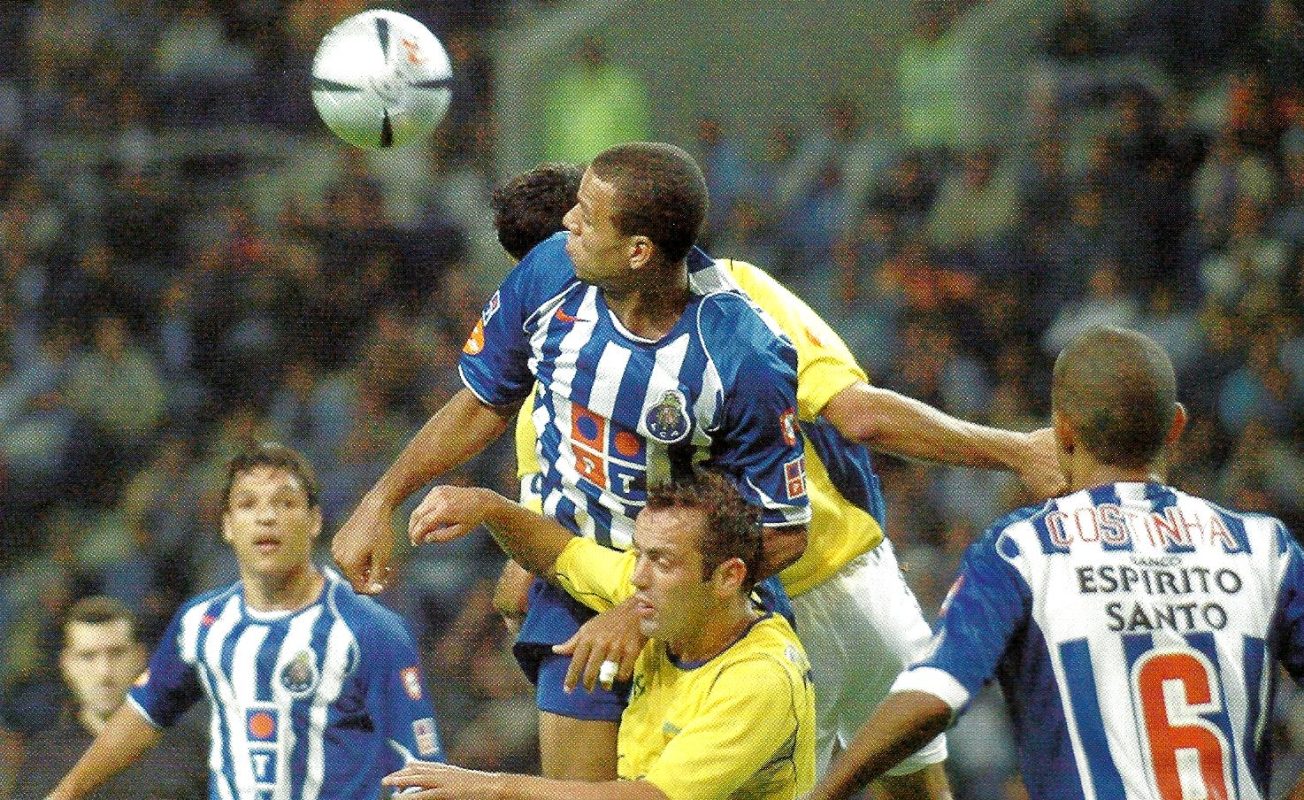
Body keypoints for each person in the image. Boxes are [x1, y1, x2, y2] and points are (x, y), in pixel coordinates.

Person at [488, 161, 1064, 798]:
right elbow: (860, 415)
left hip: (733, 617)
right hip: (843, 584)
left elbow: (529, 572)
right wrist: (1016, 449)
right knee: (916, 787)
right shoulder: (737, 290)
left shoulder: (551, 402)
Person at [332, 142, 813, 781]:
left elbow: (783, 531)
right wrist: (381, 499)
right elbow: (481, 404)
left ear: (638, 251)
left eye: (586, 215)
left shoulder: (741, 355)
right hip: (573, 586)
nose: (567, 222)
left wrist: (640, 612)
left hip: (697, 609)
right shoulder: (549, 275)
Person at [809, 326, 1304, 800]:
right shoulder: (1265, 547)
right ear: (1175, 425)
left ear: (1062, 430)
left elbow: (935, 694)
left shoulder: (1024, 549)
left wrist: (823, 793)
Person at [46, 442, 444, 800]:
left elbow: (423, 771)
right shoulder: (201, 622)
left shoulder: (369, 631)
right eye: (248, 504)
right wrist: (65, 792)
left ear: (314, 520)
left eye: (285, 503)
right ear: (227, 525)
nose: (266, 517)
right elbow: (144, 714)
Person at [385, 469, 815, 800]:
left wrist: (490, 788)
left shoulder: (760, 678)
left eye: (662, 562)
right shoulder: (671, 605)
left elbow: (650, 798)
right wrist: (487, 506)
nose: (638, 578)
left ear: (728, 577)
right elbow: (561, 552)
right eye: (638, 555)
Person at [10, 596, 206, 800]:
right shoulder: (43, 759)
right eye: (88, 656)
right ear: (66, 664)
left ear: (140, 657)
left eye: (116, 653)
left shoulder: (189, 748)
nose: (104, 673)